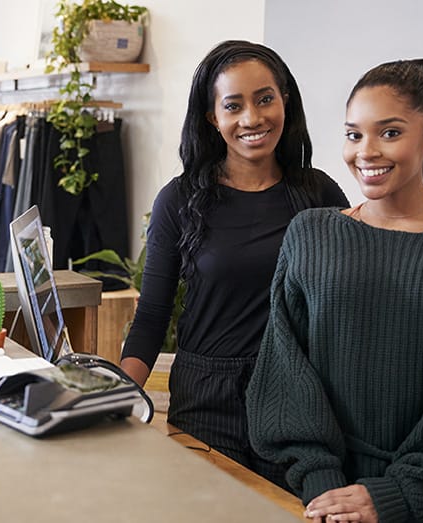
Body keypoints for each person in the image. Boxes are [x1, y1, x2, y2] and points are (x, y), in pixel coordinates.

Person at [246, 58, 423, 523]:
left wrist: (394, 494)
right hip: (321, 502)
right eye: (354, 134)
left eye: (390, 133)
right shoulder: (311, 234)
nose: (366, 151)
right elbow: (283, 371)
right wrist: (323, 484)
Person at [119, 40, 349, 484]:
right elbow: (151, 317)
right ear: (213, 118)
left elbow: (348, 305)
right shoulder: (180, 199)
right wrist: (114, 397)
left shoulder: (320, 197)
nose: (252, 118)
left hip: (294, 397)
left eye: (265, 99)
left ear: (285, 100)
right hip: (207, 398)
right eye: (233, 105)